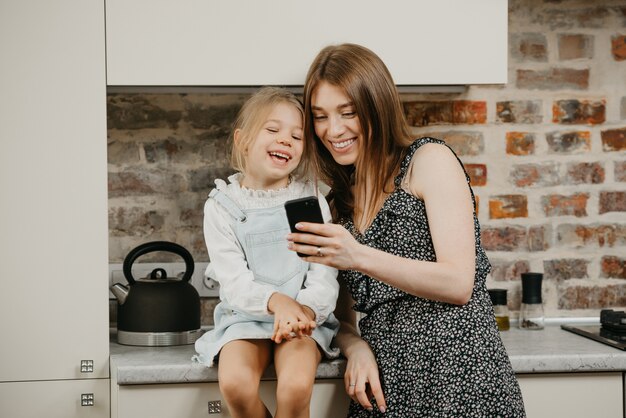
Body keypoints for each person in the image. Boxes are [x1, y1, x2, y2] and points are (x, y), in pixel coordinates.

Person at [286, 43, 526, 417]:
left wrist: (358, 255)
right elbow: (340, 318)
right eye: (320, 116)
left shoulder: (428, 161)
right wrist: (356, 347)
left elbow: (458, 283)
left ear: (376, 107)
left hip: (459, 376)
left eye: (347, 112)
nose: (333, 130)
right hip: (386, 385)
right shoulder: (337, 206)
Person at [193, 87, 340, 418]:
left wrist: (302, 310)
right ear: (243, 140)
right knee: (235, 385)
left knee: (295, 387)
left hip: (303, 321)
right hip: (246, 320)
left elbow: (324, 273)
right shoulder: (223, 207)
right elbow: (234, 282)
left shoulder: (312, 201)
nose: (285, 140)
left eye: (297, 136)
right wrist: (278, 302)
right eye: (273, 130)